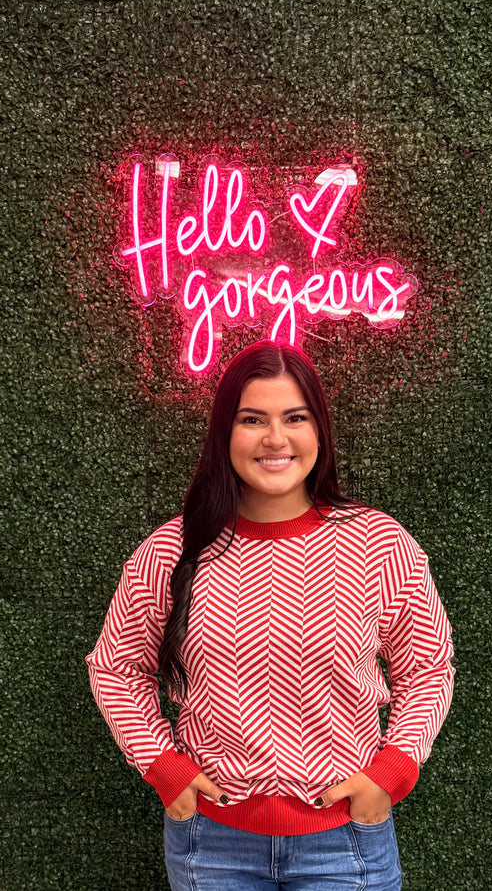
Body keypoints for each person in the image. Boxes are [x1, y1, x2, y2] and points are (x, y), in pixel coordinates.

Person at [86, 340, 454, 890]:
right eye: (252, 419)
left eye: (295, 418)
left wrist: (392, 770)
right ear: (224, 434)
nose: (275, 439)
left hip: (345, 842)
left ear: (319, 431)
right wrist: (165, 767)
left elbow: (427, 667)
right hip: (210, 845)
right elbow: (115, 668)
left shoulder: (376, 542)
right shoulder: (172, 549)